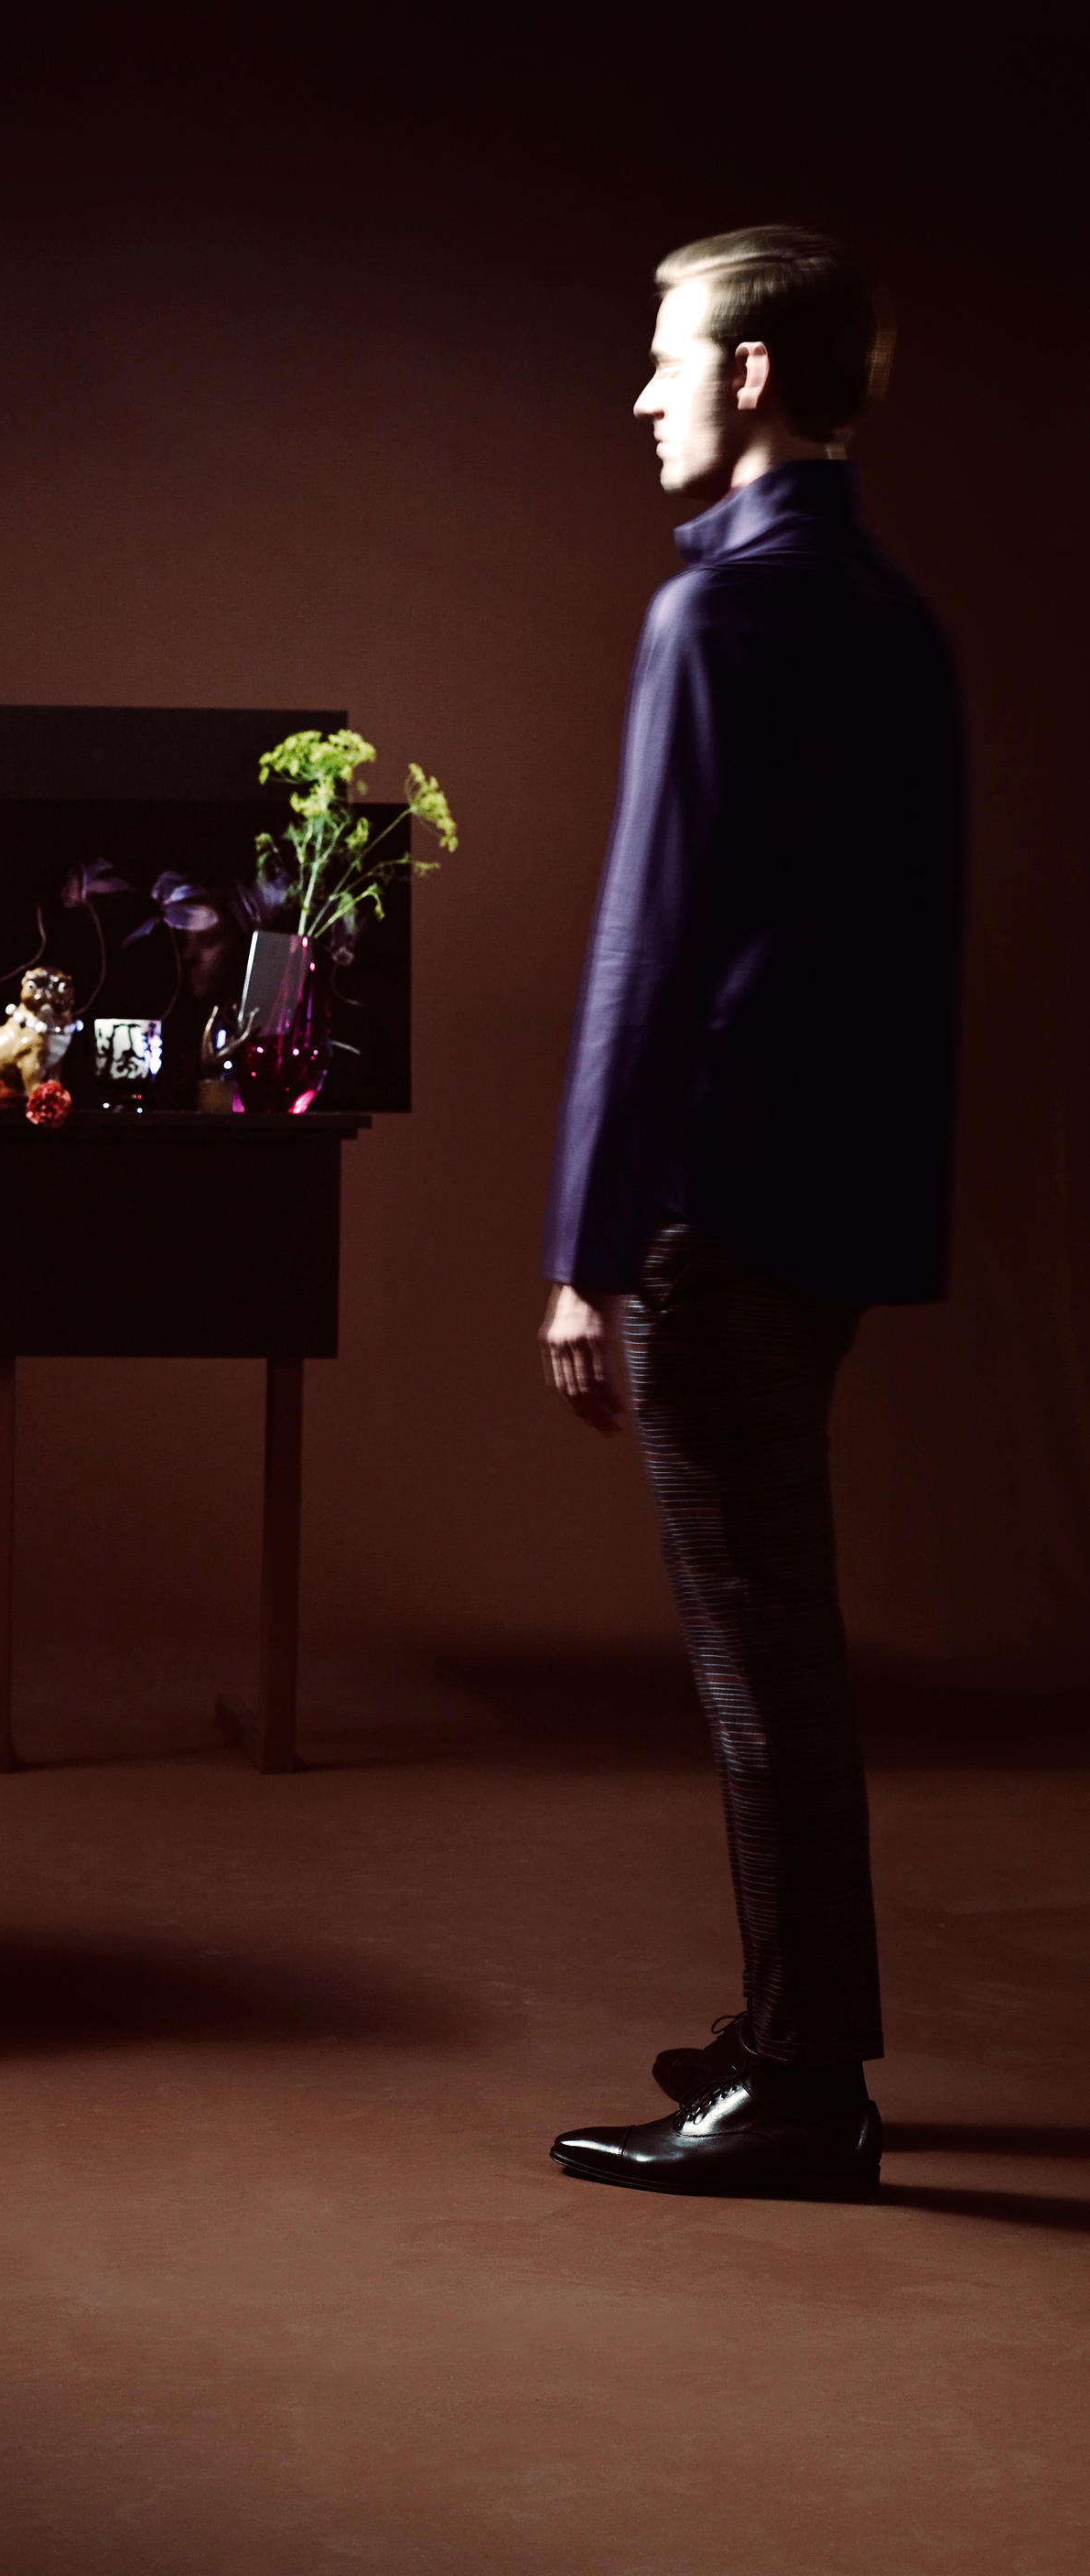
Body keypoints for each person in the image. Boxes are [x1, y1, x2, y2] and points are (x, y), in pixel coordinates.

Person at [537, 226, 964, 2198]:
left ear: (755, 374)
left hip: (715, 1214)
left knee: (755, 1659)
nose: (643, 393)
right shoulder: (894, 618)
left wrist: (586, 1249)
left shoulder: (714, 616)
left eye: (667, 353)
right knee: (779, 1643)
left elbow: (650, 954)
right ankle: (794, 2035)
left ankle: (801, 2086)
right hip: (834, 1211)